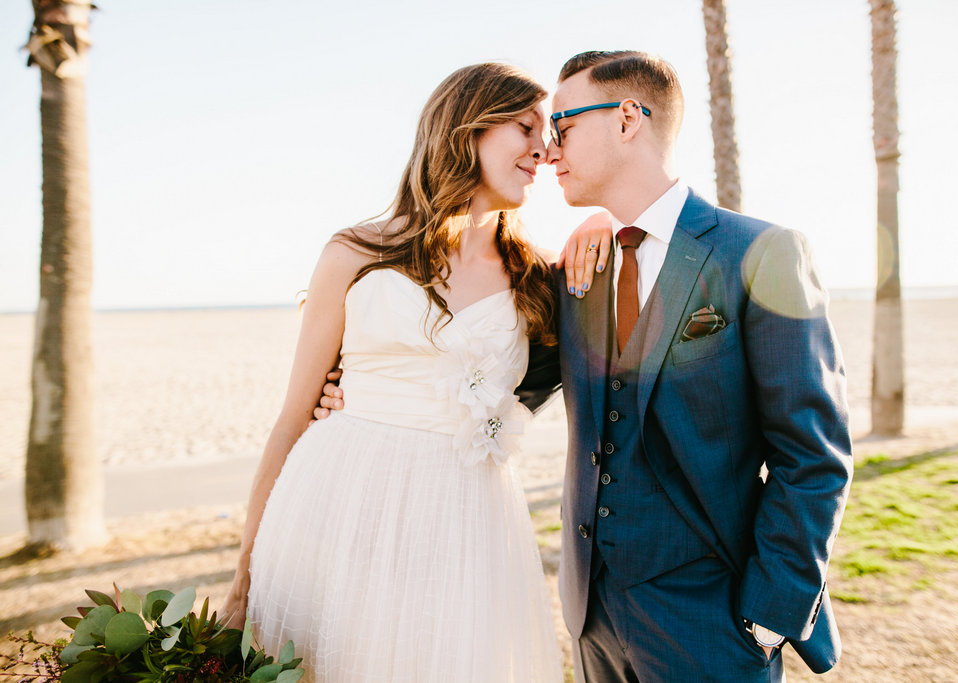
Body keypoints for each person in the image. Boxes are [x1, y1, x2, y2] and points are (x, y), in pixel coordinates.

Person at [222, 62, 602, 682]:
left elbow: (558, 373)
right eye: (525, 127)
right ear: (466, 129)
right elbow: (293, 417)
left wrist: (600, 220)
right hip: (337, 509)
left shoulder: (537, 280)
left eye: (551, 132)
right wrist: (244, 574)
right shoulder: (354, 254)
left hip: (464, 524)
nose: (544, 148)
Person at [547, 51, 854, 681]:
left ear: (628, 118)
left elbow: (813, 452)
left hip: (713, 623)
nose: (550, 151)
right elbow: (510, 383)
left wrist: (767, 617)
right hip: (592, 618)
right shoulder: (578, 270)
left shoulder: (761, 252)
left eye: (563, 126)